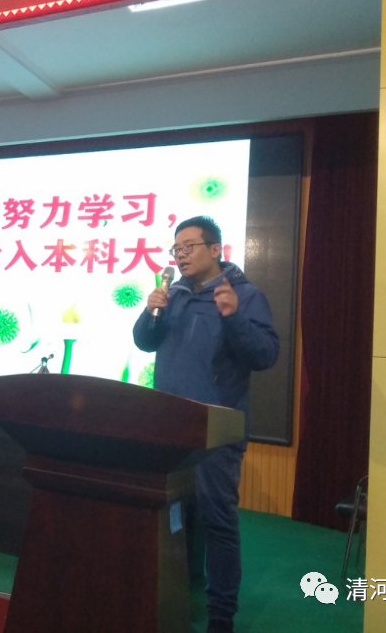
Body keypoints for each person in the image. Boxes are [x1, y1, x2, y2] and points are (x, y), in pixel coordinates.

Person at [133, 216, 279, 633]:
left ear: (216, 249)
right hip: (169, 428)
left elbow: (266, 355)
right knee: (171, 518)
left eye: (190, 247)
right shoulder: (174, 294)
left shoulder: (244, 295)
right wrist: (150, 313)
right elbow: (144, 342)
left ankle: (221, 615)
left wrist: (233, 318)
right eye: (176, 249)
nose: (181, 256)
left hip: (216, 432)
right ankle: (171, 596)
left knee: (217, 521)